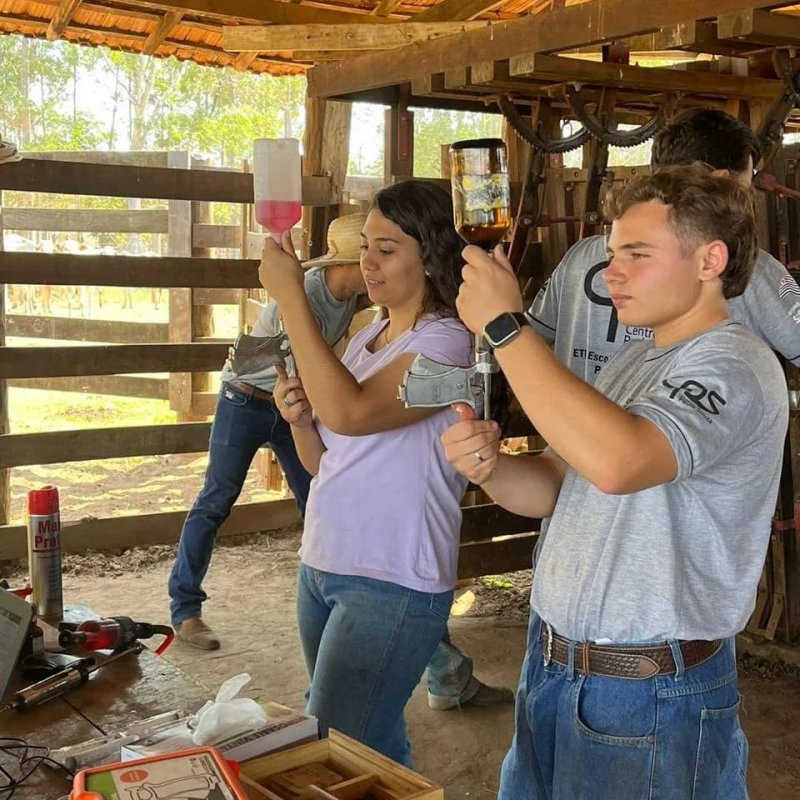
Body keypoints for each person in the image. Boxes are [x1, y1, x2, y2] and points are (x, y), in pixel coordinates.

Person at [442, 165, 788, 798]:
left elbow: (621, 463)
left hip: (650, 692)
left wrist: (506, 327)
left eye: (637, 253)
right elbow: (553, 485)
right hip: (553, 666)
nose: (610, 274)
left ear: (710, 260)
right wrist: (491, 469)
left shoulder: (736, 363)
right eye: (611, 254)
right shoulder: (632, 358)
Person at [259, 180, 489, 766]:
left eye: (386, 249)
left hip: (390, 577)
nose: (368, 262)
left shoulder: (448, 343)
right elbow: (324, 462)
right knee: (359, 740)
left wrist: (291, 298)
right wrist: (300, 422)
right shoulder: (368, 335)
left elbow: (353, 412)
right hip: (325, 562)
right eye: (365, 246)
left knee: (340, 743)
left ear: (432, 256)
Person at [168, 213, 369, 650]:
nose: (374, 269)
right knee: (217, 499)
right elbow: (285, 364)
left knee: (319, 497)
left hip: (291, 406)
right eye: (368, 258)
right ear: (346, 263)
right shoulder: (306, 294)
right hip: (247, 399)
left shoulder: (350, 298)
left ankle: (337, 598)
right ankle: (184, 609)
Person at [527, 107, 800, 381]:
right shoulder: (743, 264)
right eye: (745, 186)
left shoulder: (579, 256)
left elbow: (530, 340)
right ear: (721, 183)